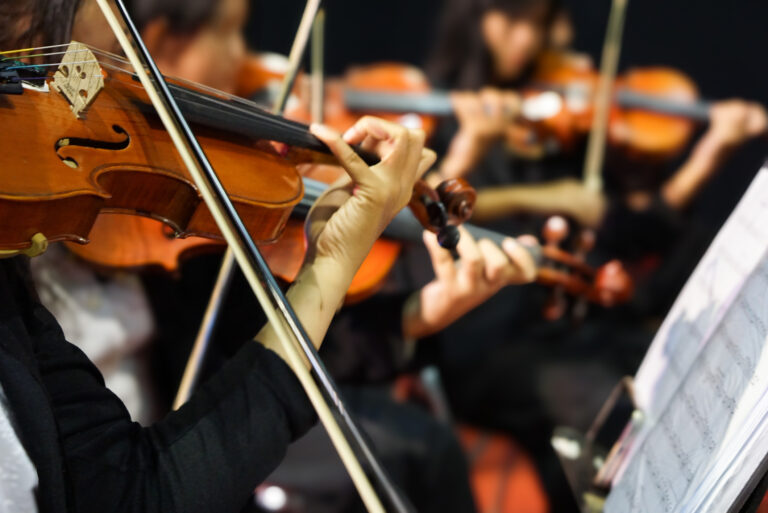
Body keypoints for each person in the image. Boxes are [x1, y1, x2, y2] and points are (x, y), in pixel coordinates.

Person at [0, 1, 463, 511]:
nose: (104, 80)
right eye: (107, 54)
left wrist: (408, 314)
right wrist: (332, 265)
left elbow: (246, 336)